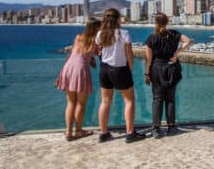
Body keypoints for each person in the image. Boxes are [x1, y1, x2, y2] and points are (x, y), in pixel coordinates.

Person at [95, 8, 145, 143]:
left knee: (105, 101)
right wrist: (130, 69)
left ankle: (103, 133)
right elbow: (129, 54)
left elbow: (99, 50)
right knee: (129, 100)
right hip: (120, 69)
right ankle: (130, 133)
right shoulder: (124, 33)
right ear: (118, 19)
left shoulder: (100, 34)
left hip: (104, 69)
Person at [144, 13, 193, 138]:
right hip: (172, 69)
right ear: (167, 22)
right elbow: (188, 41)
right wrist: (177, 53)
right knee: (170, 99)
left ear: (155, 23)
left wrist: (147, 74)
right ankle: (171, 127)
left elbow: (148, 59)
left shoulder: (152, 38)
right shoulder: (174, 34)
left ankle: (156, 128)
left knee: (157, 99)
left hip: (157, 70)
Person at [56, 18, 101, 140]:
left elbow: (73, 54)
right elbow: (100, 54)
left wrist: (59, 75)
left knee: (70, 102)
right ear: (97, 28)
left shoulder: (78, 37)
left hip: (68, 69)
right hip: (80, 71)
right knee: (81, 103)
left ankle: (69, 132)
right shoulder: (96, 42)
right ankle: (79, 130)